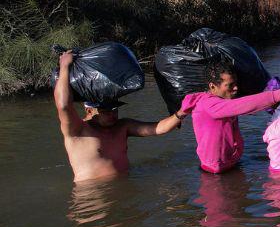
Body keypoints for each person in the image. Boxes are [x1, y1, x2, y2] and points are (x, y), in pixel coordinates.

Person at [55, 51, 189, 182]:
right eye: (106, 111)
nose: (113, 114)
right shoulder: (77, 130)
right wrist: (65, 66)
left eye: (115, 109)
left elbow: (159, 128)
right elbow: (63, 106)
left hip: (126, 188)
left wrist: (182, 112)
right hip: (92, 197)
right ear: (90, 111)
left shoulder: (123, 126)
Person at [181, 58, 280, 174]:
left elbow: (251, 105)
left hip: (233, 164)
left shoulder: (225, 100)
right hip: (214, 172)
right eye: (230, 85)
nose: (235, 88)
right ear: (212, 86)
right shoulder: (209, 105)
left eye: (236, 83)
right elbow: (245, 105)